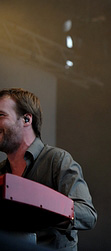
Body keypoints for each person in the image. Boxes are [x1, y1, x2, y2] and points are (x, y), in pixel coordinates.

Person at [0, 88, 97, 250]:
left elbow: (88, 215)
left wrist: (42, 205)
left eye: (1, 115)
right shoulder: (2, 171)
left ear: (26, 119)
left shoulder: (57, 160)